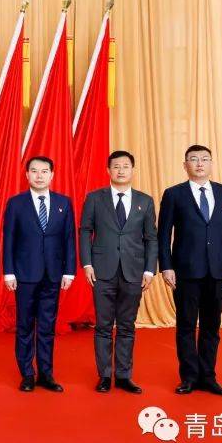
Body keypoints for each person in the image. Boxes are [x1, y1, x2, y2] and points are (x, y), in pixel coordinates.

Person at [159, 144, 222, 397]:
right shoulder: (174, 194)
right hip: (185, 271)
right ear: (185, 165)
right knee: (185, 325)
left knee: (211, 327)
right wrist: (166, 267)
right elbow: (163, 235)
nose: (199, 163)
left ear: (211, 164)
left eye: (204, 159)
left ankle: (208, 376)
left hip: (217, 271)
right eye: (193, 159)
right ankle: (189, 377)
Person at [80, 151, 157, 394]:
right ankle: (104, 375)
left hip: (134, 271)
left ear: (133, 170)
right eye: (116, 166)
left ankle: (124, 376)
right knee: (103, 325)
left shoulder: (145, 201)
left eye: (125, 166)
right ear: (108, 170)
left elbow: (151, 238)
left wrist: (149, 269)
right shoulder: (95, 198)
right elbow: (85, 231)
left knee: (126, 325)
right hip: (102, 270)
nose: (121, 170)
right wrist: (87, 264)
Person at [3, 156, 75, 393]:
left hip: (53, 274)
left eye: (44, 171)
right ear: (27, 175)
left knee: (47, 326)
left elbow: (69, 238)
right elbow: (9, 239)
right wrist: (9, 272)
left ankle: (46, 373)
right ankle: (27, 374)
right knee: (24, 325)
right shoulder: (16, 203)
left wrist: (69, 271)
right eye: (34, 171)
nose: (39, 175)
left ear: (52, 175)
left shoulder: (64, 203)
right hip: (24, 274)